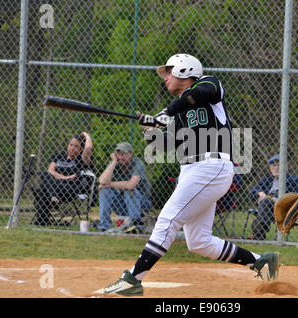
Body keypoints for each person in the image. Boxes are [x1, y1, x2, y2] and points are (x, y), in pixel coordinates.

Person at [96, 54, 279, 296]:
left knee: (167, 221)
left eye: (169, 73)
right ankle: (260, 262)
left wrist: (166, 113)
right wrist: (150, 130)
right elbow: (166, 147)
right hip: (194, 171)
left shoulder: (210, 86)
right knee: (199, 241)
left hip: (210, 166)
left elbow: (198, 94)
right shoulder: (180, 114)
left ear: (184, 70)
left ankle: (132, 280)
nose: (166, 79)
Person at [31, 132, 93, 226]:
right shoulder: (59, 156)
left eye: (76, 146)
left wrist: (87, 136)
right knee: (46, 175)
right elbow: (50, 170)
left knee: (44, 187)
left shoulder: (81, 159)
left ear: (81, 149)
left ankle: (42, 218)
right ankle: (52, 198)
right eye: (71, 145)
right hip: (55, 185)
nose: (72, 148)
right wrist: (66, 177)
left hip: (70, 189)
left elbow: (88, 148)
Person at [249, 154, 298, 240]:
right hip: (268, 210)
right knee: (266, 201)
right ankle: (260, 232)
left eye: (278, 165)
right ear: (270, 168)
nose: (275, 168)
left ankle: (263, 231)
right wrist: (260, 193)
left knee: (267, 202)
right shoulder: (267, 179)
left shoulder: (294, 180)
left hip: (285, 210)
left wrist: (282, 200)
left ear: (286, 167)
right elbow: (253, 191)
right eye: (273, 165)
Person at [97, 142, 151, 233]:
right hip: (123, 204)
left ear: (130, 154)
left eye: (123, 154)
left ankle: (136, 226)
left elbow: (131, 185)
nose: (120, 157)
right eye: (118, 154)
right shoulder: (116, 163)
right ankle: (104, 227)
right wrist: (114, 162)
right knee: (104, 190)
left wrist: (110, 184)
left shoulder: (137, 163)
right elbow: (102, 181)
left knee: (129, 190)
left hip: (142, 204)